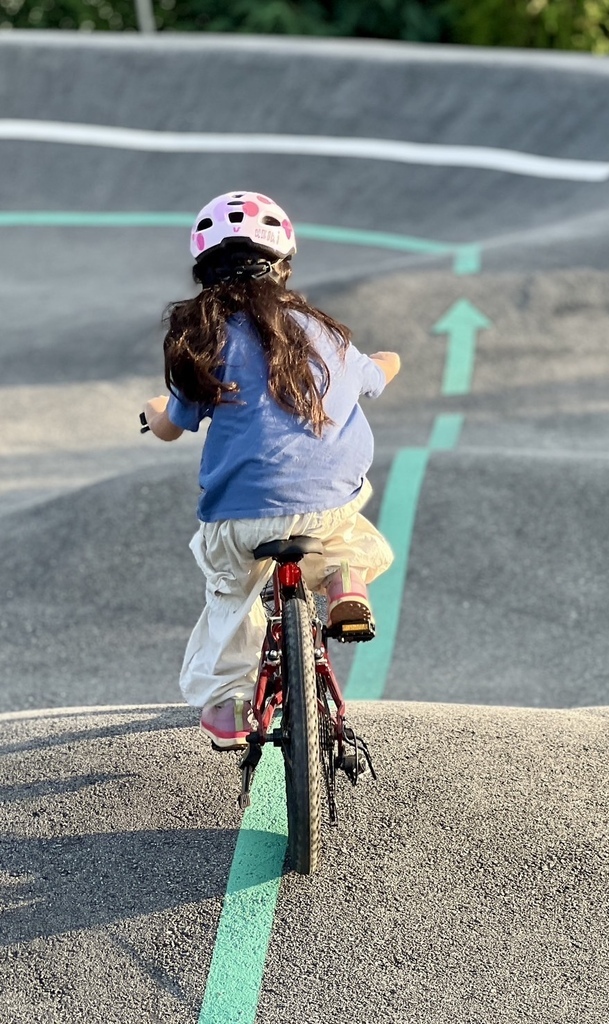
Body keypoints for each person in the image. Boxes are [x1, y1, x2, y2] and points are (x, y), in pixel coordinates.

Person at [142, 190, 400, 749]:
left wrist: (155, 413)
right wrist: (386, 362)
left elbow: (171, 425)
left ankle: (231, 706)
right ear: (283, 266)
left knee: (232, 596)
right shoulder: (326, 333)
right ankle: (344, 581)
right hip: (324, 504)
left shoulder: (202, 339)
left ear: (203, 272)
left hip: (239, 519)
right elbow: (374, 376)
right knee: (343, 525)